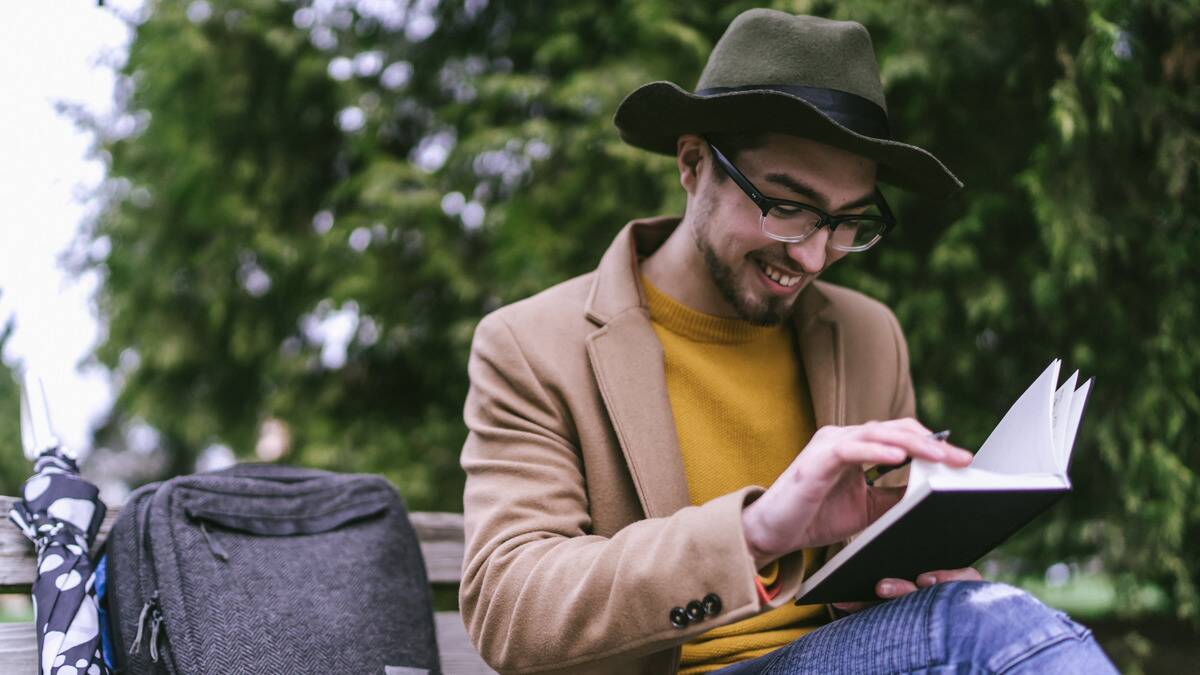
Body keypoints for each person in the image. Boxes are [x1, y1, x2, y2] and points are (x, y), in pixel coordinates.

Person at [458, 9, 1117, 674]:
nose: (813, 257)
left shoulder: (868, 335)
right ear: (693, 164)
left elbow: (880, 570)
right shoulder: (533, 344)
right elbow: (508, 606)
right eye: (788, 207)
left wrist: (921, 584)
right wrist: (754, 531)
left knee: (981, 618)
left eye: (847, 221)